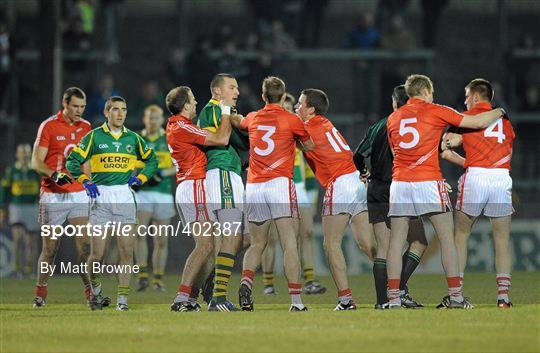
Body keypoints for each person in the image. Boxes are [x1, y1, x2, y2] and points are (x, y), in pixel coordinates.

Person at [385, 74, 506, 309]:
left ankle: (393, 299)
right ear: (427, 91)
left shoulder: (393, 117)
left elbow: (393, 152)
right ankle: (456, 298)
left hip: (400, 182)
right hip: (428, 181)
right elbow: (477, 122)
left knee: (396, 242)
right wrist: (500, 111)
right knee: (447, 239)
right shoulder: (436, 110)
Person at [66, 96, 158, 311]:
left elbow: (152, 160)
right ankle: (96, 292)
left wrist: (141, 178)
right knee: (97, 255)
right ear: (107, 112)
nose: (120, 113)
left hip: (125, 198)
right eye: (115, 109)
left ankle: (122, 301)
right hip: (101, 198)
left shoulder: (133, 138)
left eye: (124, 110)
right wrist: (85, 180)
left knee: (127, 252)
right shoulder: (94, 137)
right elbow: (72, 161)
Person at [232, 76, 315, 312]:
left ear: (262, 95)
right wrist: (293, 143)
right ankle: (296, 302)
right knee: (290, 242)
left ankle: (246, 282)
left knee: (257, 243)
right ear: (283, 94)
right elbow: (309, 146)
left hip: (255, 185)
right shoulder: (292, 120)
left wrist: (230, 113)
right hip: (279, 183)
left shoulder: (254, 117)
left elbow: (239, 121)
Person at [440, 78, 515, 308]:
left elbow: (446, 147)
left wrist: (468, 161)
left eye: (466, 96)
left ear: (474, 97)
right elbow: (508, 154)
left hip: (476, 179)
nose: (464, 101)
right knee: (502, 239)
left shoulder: (468, 120)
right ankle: (503, 297)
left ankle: (457, 295)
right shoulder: (506, 123)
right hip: (501, 177)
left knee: (461, 235)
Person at [295, 88, 369, 310]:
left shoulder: (307, 128)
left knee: (331, 244)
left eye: (300, 104)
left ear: (311, 109)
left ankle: (345, 299)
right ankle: (396, 289)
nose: (297, 107)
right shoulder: (326, 124)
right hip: (357, 181)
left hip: (339, 185)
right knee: (367, 244)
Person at [354, 85, 427, 309]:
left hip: (376, 189)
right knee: (419, 241)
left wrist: (364, 172)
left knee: (384, 248)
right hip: (400, 187)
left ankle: (382, 302)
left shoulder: (377, 126)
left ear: (394, 103)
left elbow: (357, 155)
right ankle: (399, 289)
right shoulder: (415, 125)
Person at [166, 86, 234, 312]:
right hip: (193, 185)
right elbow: (222, 138)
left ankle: (191, 298)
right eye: (193, 100)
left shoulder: (179, 126)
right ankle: (181, 298)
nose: (196, 103)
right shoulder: (182, 126)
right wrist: (225, 111)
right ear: (185, 105)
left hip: (191, 186)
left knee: (209, 245)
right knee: (205, 245)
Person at [31, 87, 95, 308]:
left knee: (86, 246)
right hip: (53, 196)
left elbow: (86, 162)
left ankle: (90, 291)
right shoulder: (48, 126)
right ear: (64, 104)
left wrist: (90, 183)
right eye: (75, 106)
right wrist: (53, 174)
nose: (79, 110)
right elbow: (36, 162)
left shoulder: (86, 127)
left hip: (78, 194)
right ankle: (40, 292)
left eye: (82, 107)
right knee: (50, 249)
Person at [261, 93, 326, 295]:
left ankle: (309, 281)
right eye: (285, 108)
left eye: (291, 108)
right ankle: (268, 283)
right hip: (277, 186)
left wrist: (312, 193)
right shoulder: (273, 131)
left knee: (306, 233)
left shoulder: (300, 132)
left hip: (299, 188)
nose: (288, 111)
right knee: (271, 238)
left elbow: (310, 167)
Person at [196, 73, 249, 311]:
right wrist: (230, 114)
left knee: (244, 237)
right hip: (222, 172)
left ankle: (213, 285)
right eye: (232, 87)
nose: (237, 92)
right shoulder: (212, 110)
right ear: (218, 91)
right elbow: (223, 138)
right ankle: (217, 296)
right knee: (230, 235)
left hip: (232, 174)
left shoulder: (224, 112)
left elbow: (243, 143)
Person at [134, 105, 176, 292]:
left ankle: (158, 279)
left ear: (162, 120)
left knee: (162, 240)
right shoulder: (137, 139)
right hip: (143, 192)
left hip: (163, 192)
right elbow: (131, 165)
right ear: (145, 119)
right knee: (139, 235)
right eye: (150, 118)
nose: (153, 121)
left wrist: (163, 173)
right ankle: (143, 275)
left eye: (156, 118)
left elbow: (178, 165)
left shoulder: (168, 138)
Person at [1, 144, 41, 277]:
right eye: (22, 153)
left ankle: (30, 269)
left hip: (32, 207)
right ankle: (17, 268)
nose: (24, 155)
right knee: (17, 239)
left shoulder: (35, 170)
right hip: (16, 207)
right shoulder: (12, 171)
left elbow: (42, 190)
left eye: (26, 153)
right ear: (17, 155)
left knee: (31, 241)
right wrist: (2, 209)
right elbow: (5, 191)